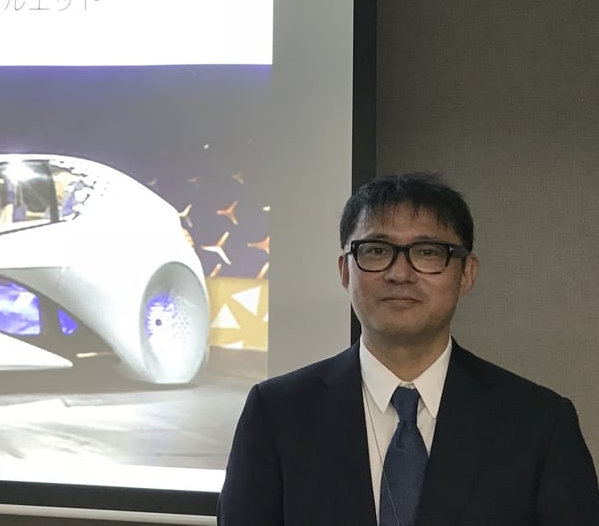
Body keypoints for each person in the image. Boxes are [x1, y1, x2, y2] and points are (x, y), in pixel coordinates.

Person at [217, 173, 599, 525]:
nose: (399, 273)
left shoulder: (540, 423)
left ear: (466, 274)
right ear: (346, 271)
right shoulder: (277, 413)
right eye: (376, 251)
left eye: (428, 252)